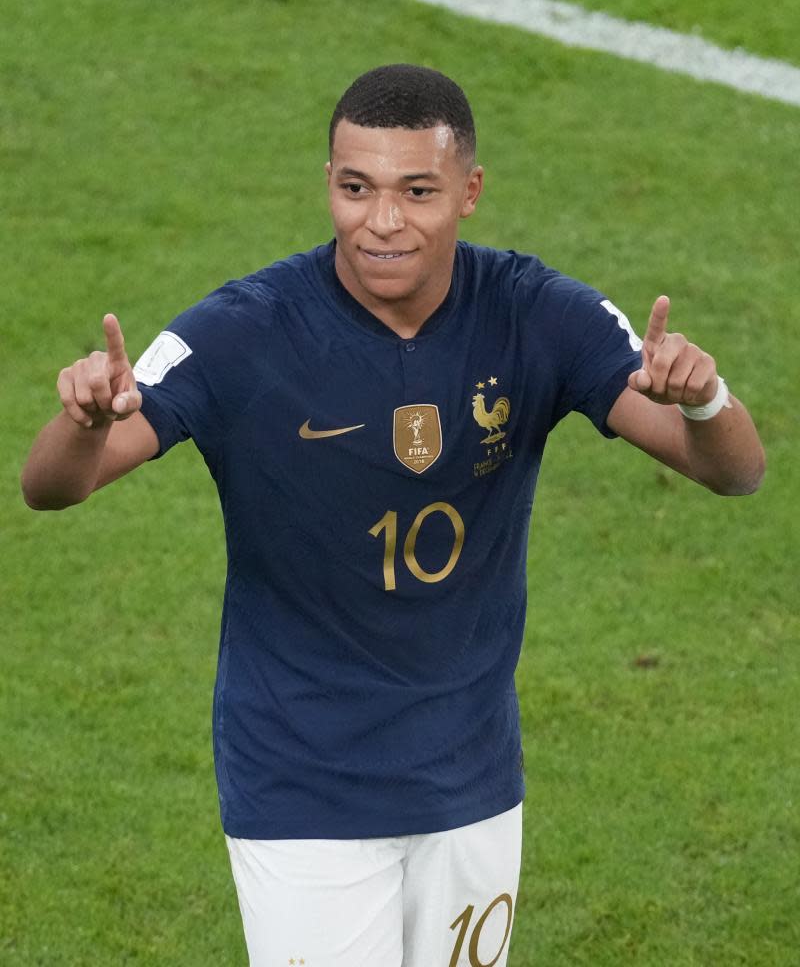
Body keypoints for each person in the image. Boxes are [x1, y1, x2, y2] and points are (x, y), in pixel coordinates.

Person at [21, 64, 765, 966]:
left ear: (469, 192)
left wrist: (702, 398)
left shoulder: (536, 314)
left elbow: (733, 471)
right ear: (327, 186)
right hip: (302, 788)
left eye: (417, 191)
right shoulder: (245, 330)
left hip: (471, 782)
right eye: (355, 188)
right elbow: (54, 486)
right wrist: (81, 420)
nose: (382, 220)